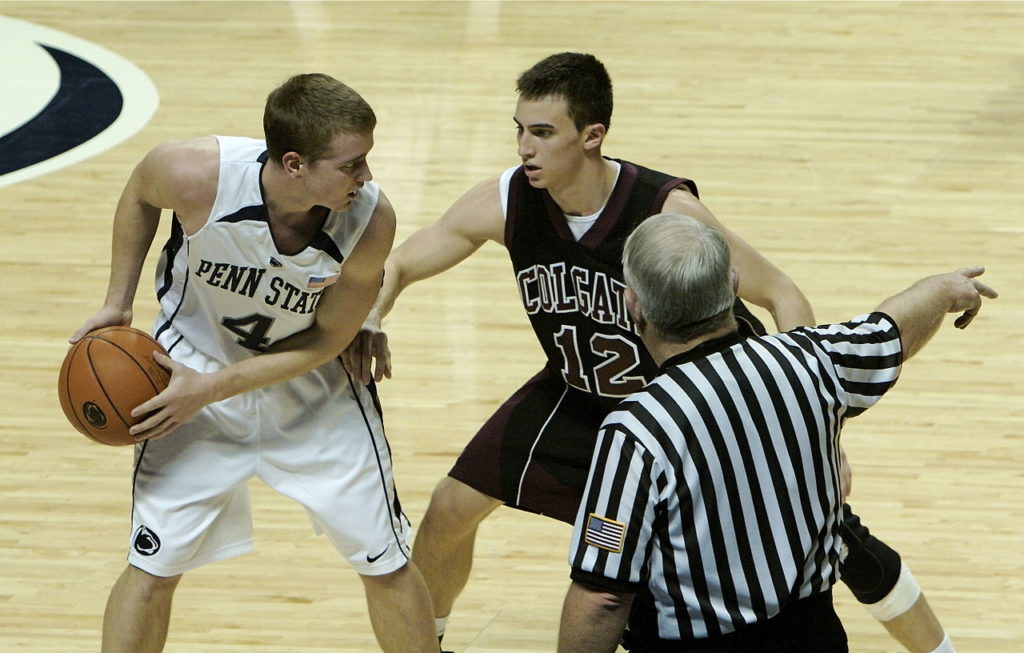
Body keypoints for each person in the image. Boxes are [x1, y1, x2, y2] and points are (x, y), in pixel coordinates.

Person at [343, 53, 951, 652]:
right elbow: (402, 261)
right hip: (583, 392)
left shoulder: (667, 210)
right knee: (451, 509)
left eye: (543, 133)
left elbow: (781, 292)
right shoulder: (507, 199)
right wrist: (371, 309)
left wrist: (814, 429)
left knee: (836, 538)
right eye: (520, 130)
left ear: (592, 136)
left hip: (700, 399)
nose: (524, 147)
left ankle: (938, 647)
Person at [70, 73, 437, 653]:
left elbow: (325, 342)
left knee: (385, 561)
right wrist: (117, 302)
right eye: (350, 164)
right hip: (186, 378)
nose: (366, 176)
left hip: (312, 391)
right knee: (150, 565)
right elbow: (140, 190)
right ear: (294, 164)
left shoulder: (371, 219)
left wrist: (215, 387)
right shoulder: (195, 174)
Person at [559, 214, 995, 652]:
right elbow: (892, 329)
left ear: (633, 304)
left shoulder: (636, 430)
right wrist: (944, 290)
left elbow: (603, 595)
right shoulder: (811, 361)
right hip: (813, 637)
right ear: (731, 286)